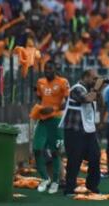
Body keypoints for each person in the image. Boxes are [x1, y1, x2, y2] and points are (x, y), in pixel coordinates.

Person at [59, 69, 102, 196]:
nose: (95, 81)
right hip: (74, 130)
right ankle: (69, 188)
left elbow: (101, 103)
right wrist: (96, 88)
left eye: (96, 79)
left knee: (95, 157)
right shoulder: (76, 89)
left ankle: (92, 186)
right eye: (94, 78)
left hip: (88, 130)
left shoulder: (90, 90)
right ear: (85, 77)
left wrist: (99, 90)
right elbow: (87, 99)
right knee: (74, 159)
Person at [33, 61, 69, 194]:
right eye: (45, 68)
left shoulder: (63, 82)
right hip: (43, 121)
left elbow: (67, 102)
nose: (47, 70)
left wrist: (52, 109)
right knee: (37, 148)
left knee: (55, 152)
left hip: (56, 120)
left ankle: (56, 181)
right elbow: (38, 99)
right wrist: (37, 110)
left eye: (50, 68)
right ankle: (44, 178)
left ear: (55, 69)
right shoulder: (40, 82)